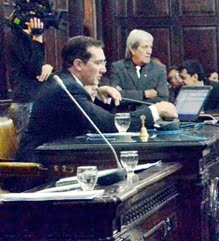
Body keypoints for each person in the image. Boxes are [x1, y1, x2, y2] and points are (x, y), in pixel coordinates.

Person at [17, 36, 177, 163]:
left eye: (104, 63)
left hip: (61, 161)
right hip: (39, 169)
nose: (104, 69)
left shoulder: (68, 83)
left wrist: (97, 96)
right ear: (78, 64)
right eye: (99, 63)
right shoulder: (66, 89)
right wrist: (156, 110)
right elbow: (108, 124)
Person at [6, 17, 53, 143]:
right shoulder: (15, 36)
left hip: (34, 99)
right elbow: (35, 67)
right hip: (25, 102)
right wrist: (37, 38)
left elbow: (38, 66)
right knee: (29, 147)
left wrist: (46, 67)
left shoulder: (25, 37)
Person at [108, 29, 169, 112]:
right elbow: (115, 96)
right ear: (133, 49)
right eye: (145, 47)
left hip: (149, 118)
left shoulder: (159, 69)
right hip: (124, 117)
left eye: (150, 47)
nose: (149, 51)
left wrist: (127, 95)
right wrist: (144, 94)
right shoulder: (118, 67)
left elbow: (163, 99)